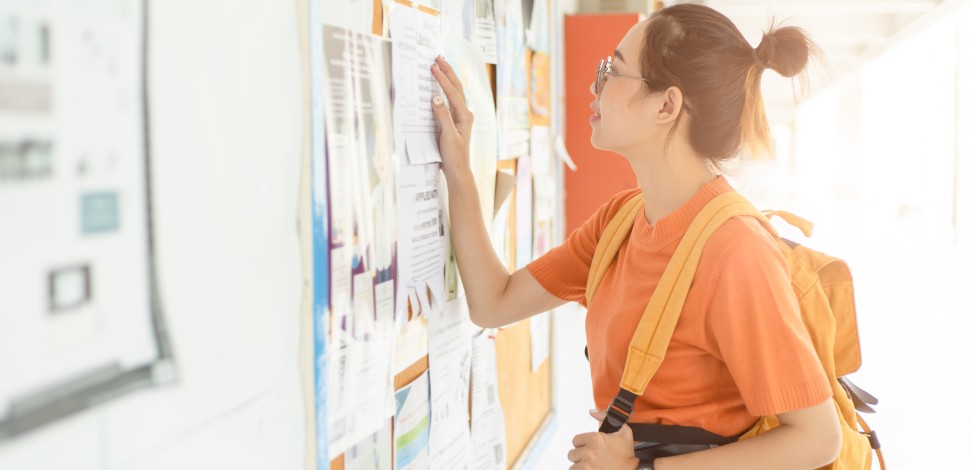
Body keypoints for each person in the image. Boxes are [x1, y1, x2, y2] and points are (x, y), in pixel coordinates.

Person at [429, 3, 841, 469]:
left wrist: (641, 468)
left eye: (612, 70)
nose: (594, 84)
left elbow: (817, 438)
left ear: (667, 105)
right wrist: (458, 170)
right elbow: (494, 302)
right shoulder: (620, 221)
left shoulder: (737, 253)